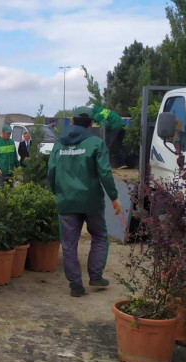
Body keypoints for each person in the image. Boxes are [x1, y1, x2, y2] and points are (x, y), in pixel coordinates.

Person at [48, 106, 120, 297]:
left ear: (72, 121)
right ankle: (95, 276)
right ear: (90, 124)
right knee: (100, 235)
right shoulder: (96, 143)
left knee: (69, 244)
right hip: (91, 201)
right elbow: (105, 173)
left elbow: (51, 171)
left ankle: (75, 285)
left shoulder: (58, 144)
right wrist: (113, 197)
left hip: (67, 201)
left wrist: (58, 193)